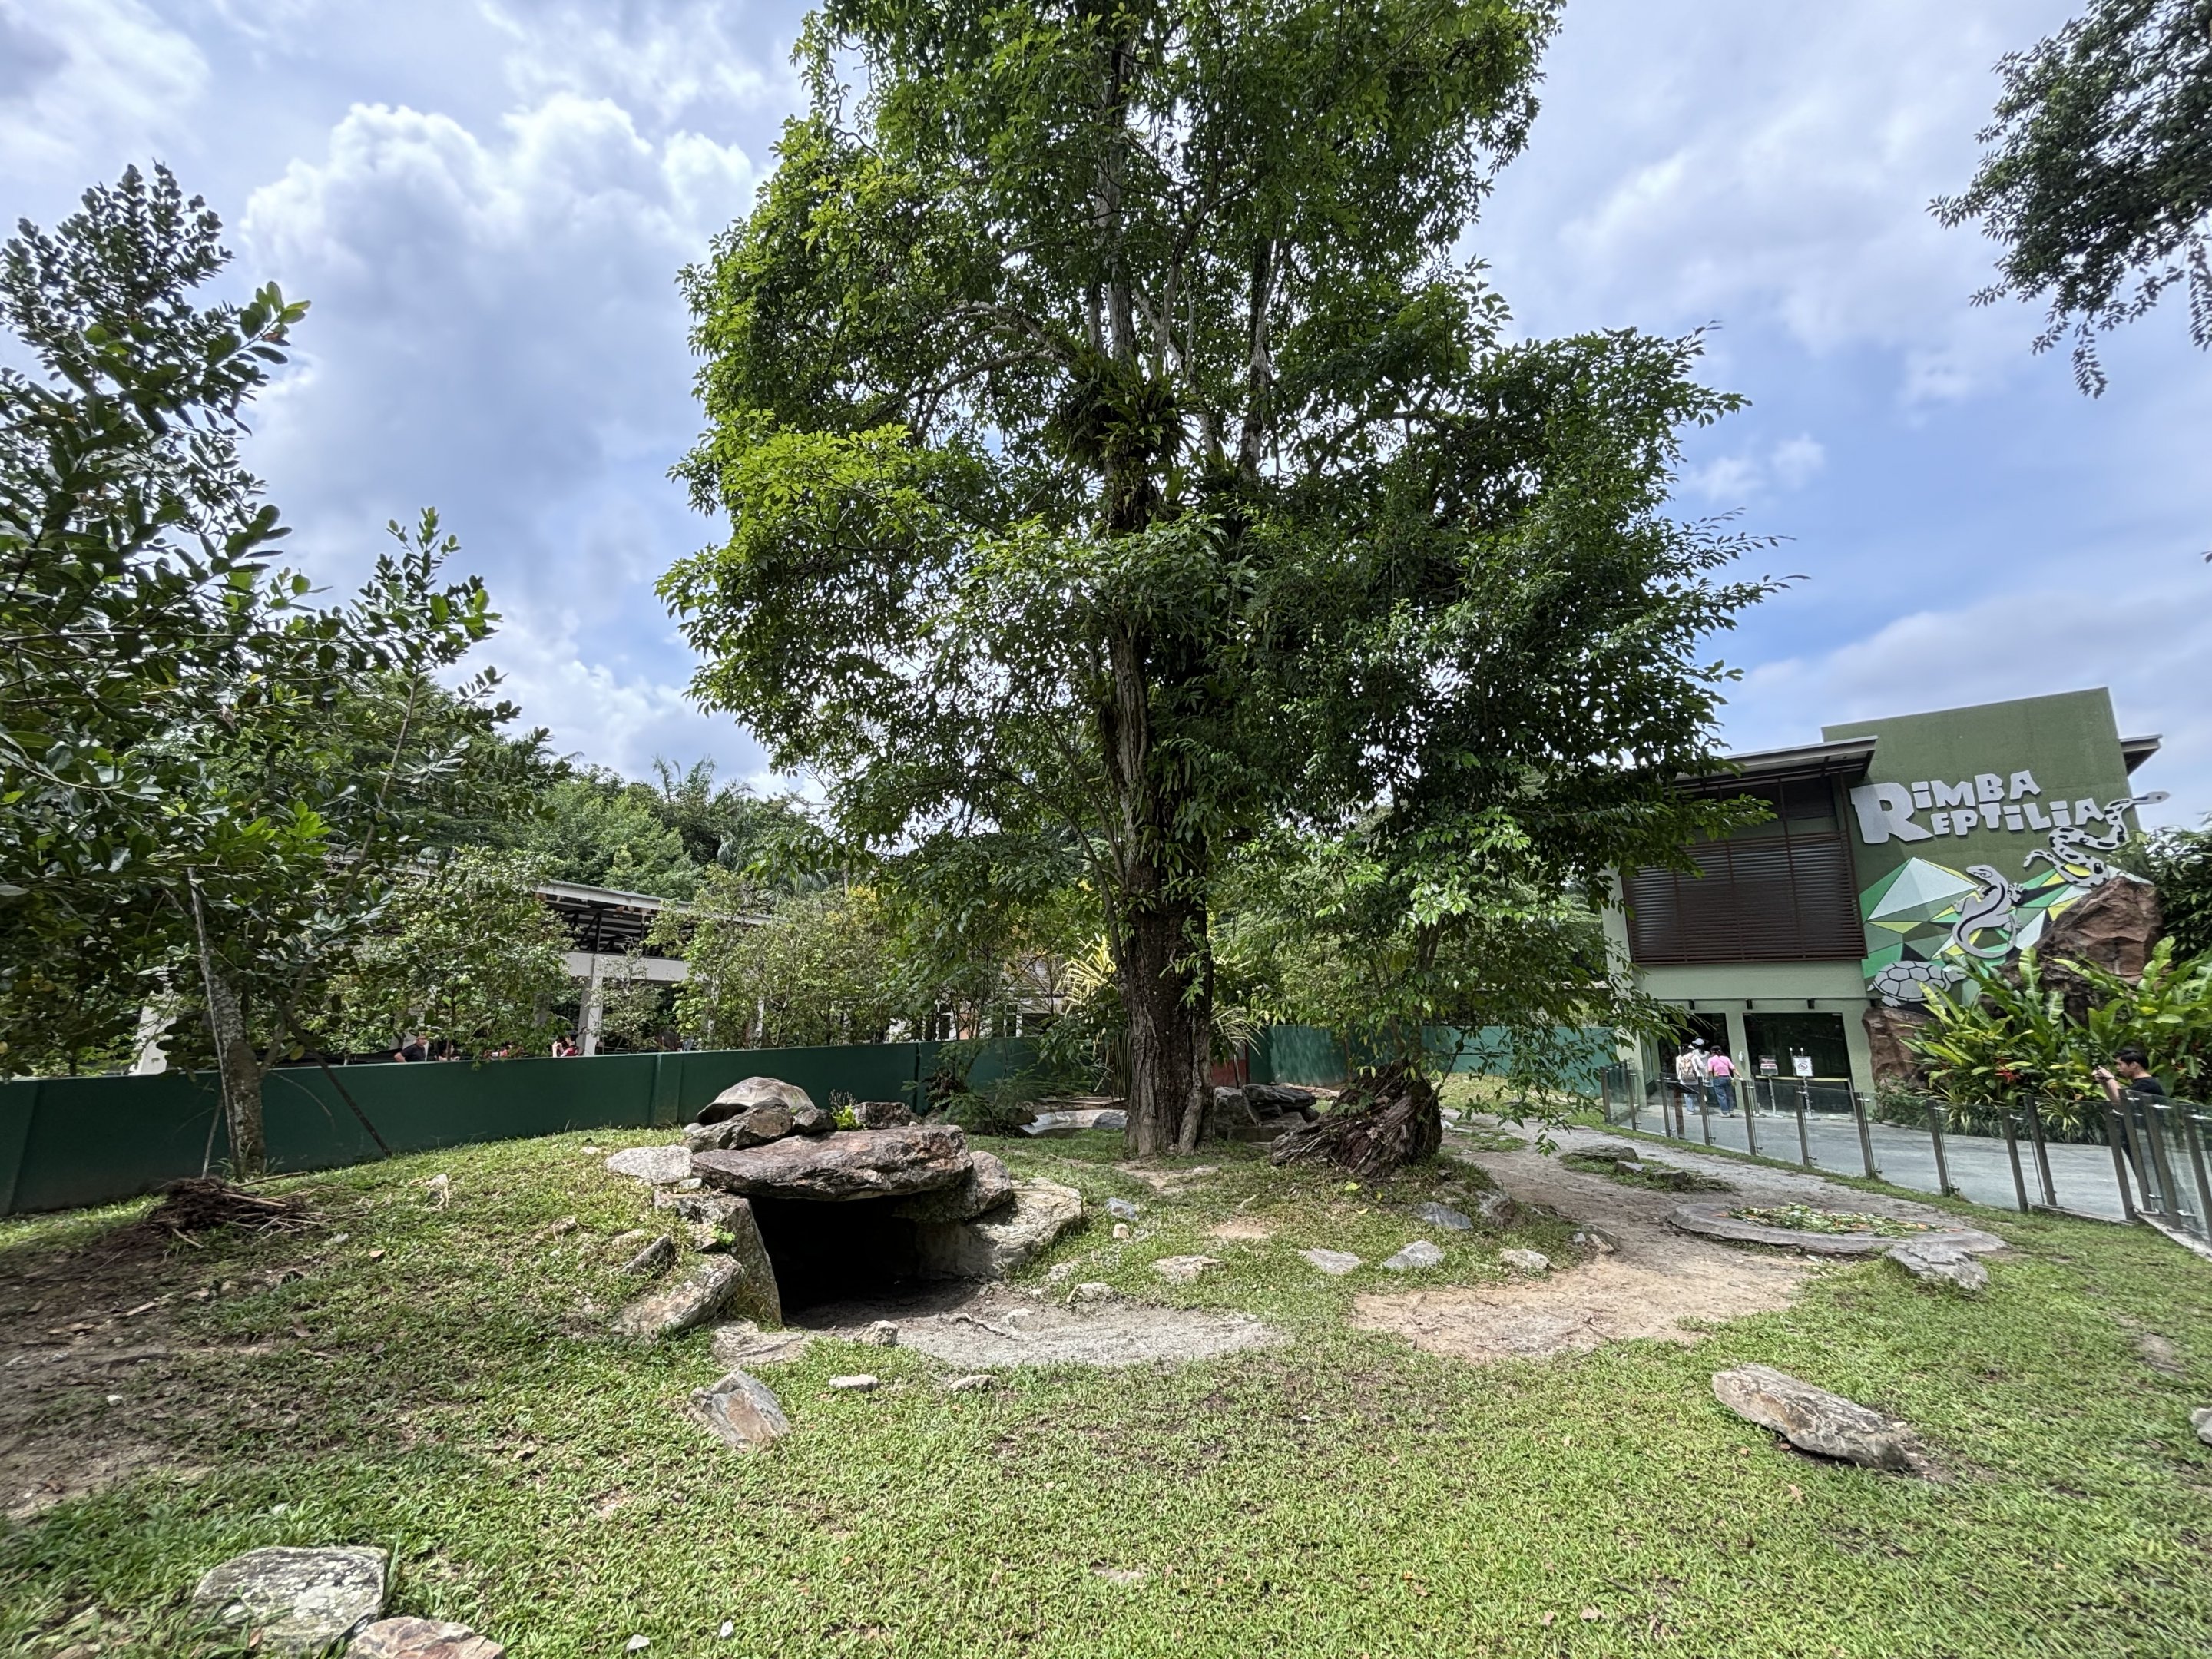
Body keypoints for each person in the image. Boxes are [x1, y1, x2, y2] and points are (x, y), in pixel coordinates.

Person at [1705, 1048, 1737, 1116]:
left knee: (1721, 1096)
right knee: (1729, 1095)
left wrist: (1707, 1078)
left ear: (1712, 1051)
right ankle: (1731, 1111)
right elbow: (1733, 1068)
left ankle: (1725, 1112)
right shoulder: (1726, 1058)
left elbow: (1710, 1070)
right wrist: (1740, 1077)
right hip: (1727, 1078)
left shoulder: (1711, 1059)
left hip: (1718, 1078)